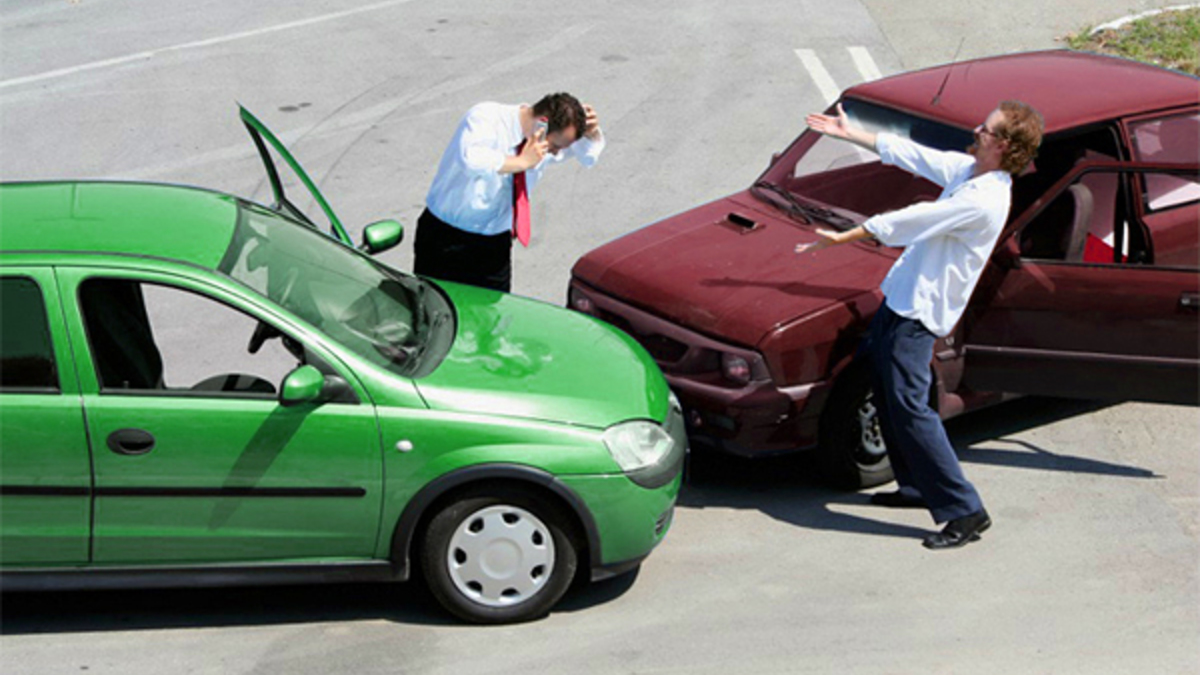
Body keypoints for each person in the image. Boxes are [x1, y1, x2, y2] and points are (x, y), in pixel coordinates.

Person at [797, 100, 1044, 549]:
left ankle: (966, 511)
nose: (976, 129)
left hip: (919, 315)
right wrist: (849, 133)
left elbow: (917, 219)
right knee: (889, 393)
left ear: (1003, 145)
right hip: (901, 299)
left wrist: (848, 235)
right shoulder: (970, 171)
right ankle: (914, 488)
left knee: (911, 409)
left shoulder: (984, 199)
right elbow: (913, 154)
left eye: (985, 129)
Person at [414, 92, 604, 293]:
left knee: (493, 317)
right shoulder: (486, 116)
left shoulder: (541, 143)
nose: (556, 153)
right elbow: (471, 159)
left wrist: (592, 134)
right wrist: (521, 162)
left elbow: (588, 157)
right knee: (433, 315)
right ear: (542, 124)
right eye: (555, 146)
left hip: (494, 247)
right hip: (446, 239)